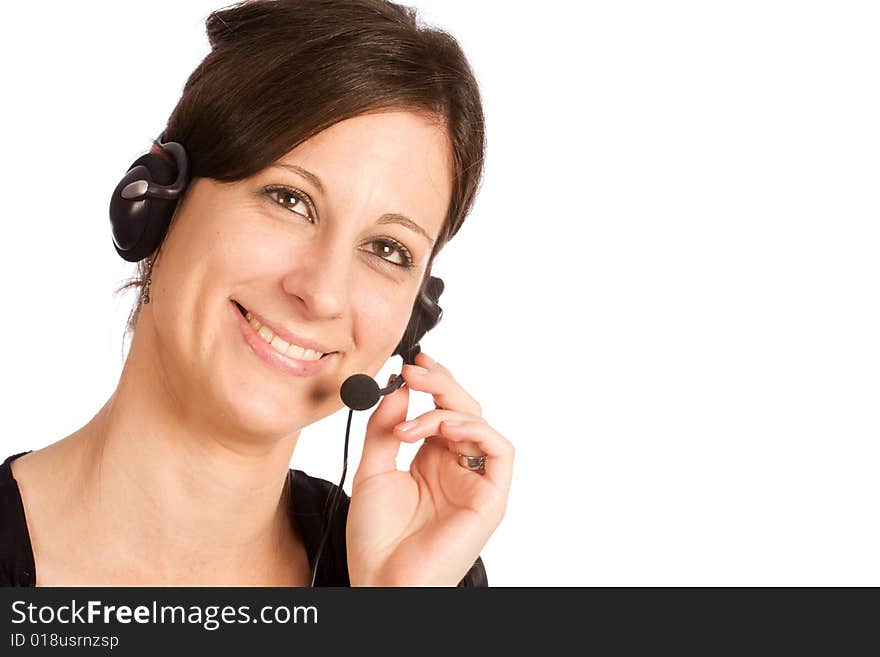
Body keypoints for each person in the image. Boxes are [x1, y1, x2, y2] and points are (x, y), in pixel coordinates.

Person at [0, 0, 514, 587]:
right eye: (289, 200)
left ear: (415, 316)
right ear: (155, 201)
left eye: (386, 249)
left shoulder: (418, 578)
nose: (321, 293)